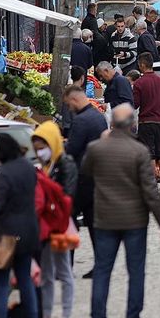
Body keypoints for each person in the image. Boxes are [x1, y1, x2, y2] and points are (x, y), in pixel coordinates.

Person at [81, 104, 160, 318]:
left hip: (104, 218)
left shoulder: (96, 148)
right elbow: (150, 190)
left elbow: (86, 172)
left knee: (102, 271)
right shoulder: (139, 152)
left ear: (111, 124)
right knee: (136, 271)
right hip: (134, 220)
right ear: (132, 124)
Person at [0, 132, 40, 318]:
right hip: (29, 229)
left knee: (1, 281)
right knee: (25, 279)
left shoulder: (3, 173)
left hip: (6, 234)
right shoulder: (27, 167)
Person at [32, 120, 77, 318]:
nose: (39, 152)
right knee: (47, 273)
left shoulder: (65, 163)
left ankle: (66, 314)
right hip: (46, 225)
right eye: (37, 149)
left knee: (64, 270)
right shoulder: (44, 166)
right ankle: (47, 316)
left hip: (60, 225)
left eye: (42, 148)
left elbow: (68, 195)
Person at [63, 86, 108, 279]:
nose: (69, 108)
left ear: (73, 100)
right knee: (93, 224)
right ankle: (101, 265)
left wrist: (62, 144)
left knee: (70, 221)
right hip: (97, 176)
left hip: (81, 179)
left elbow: (72, 149)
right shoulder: (99, 117)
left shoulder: (81, 120)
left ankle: (67, 266)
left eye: (68, 104)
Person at [131, 52, 160, 191]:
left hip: (145, 121)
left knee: (150, 152)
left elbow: (135, 104)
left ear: (142, 65)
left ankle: (153, 179)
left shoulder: (139, 83)